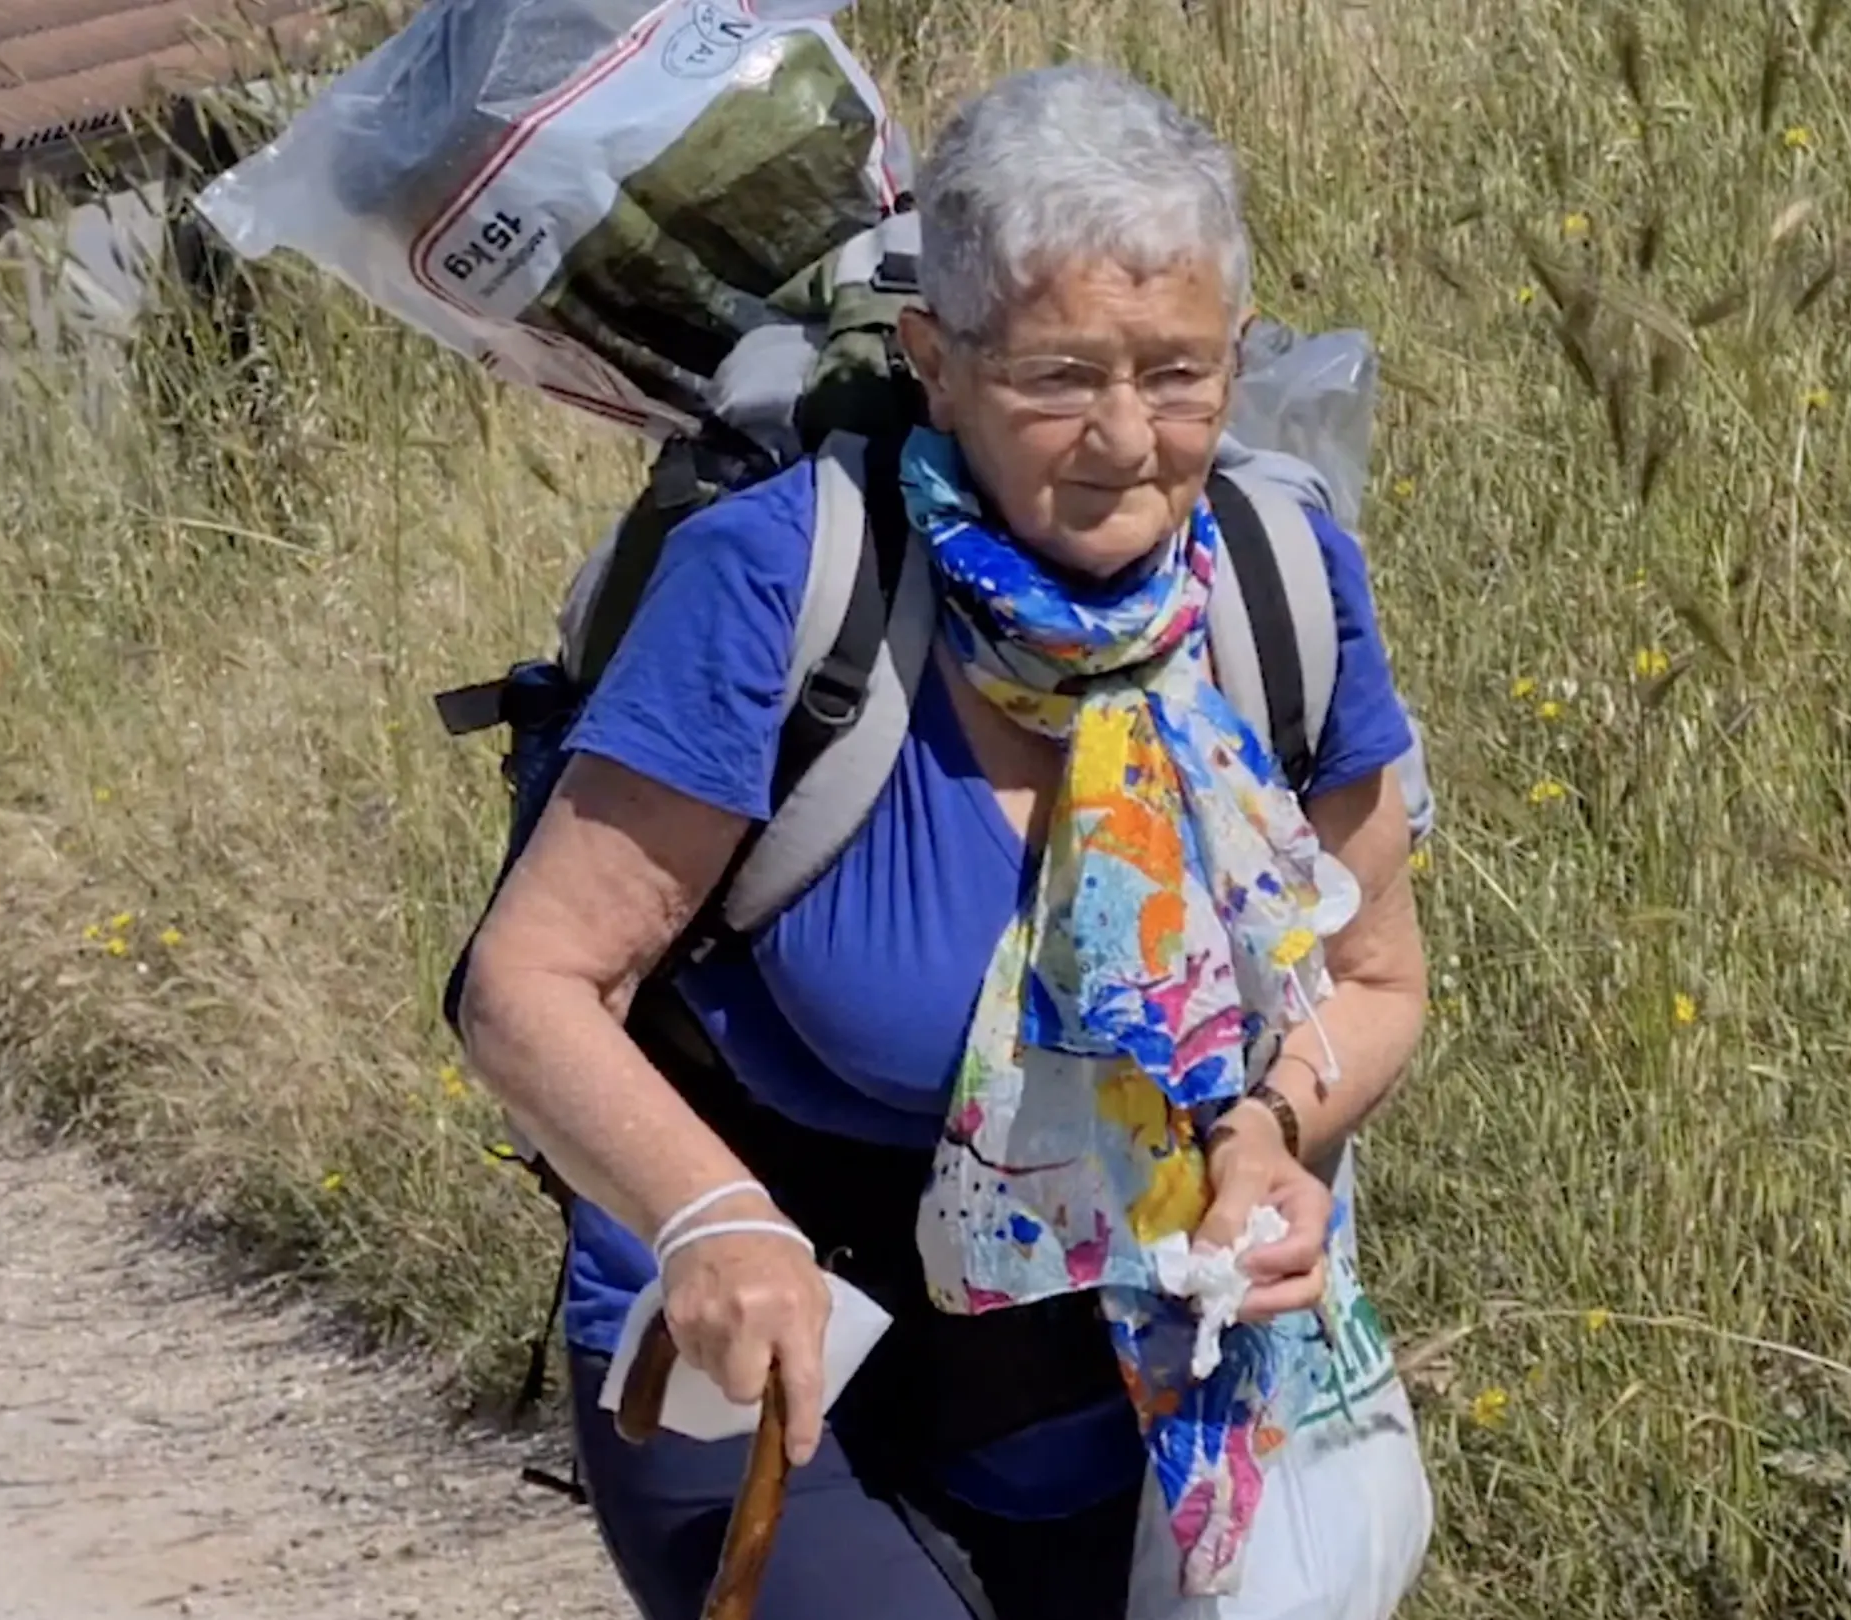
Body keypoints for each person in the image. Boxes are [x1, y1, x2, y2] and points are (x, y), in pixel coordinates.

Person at [456, 60, 1429, 1620]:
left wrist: (1268, 1136)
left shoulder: (1278, 582)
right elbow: (525, 985)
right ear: (935, 360)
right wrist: (712, 1223)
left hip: (1132, 1350)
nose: (1127, 438)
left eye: (1181, 374)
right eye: (1058, 378)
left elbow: (1374, 981)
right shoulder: (782, 583)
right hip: (784, 1342)